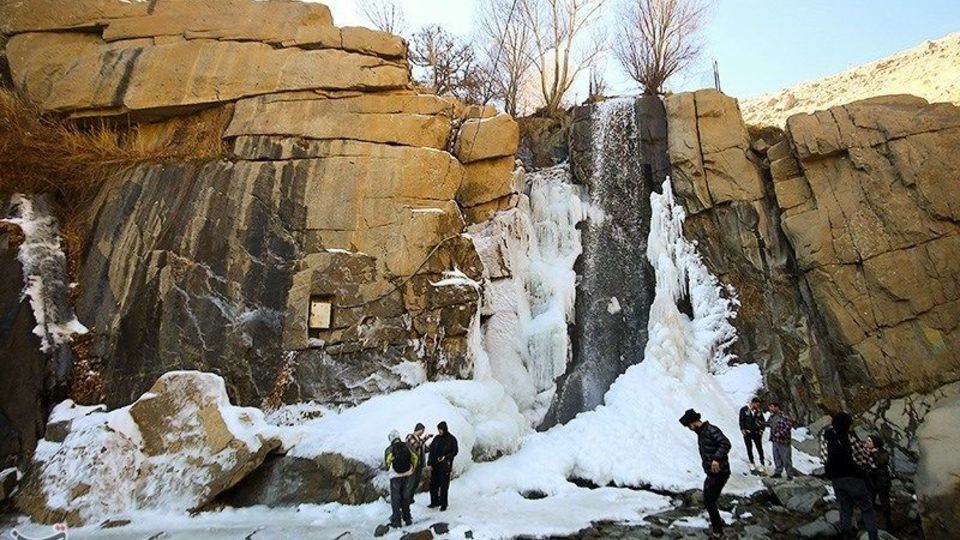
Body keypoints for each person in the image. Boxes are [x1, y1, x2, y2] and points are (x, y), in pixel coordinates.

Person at [821, 412, 879, 540]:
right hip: (853, 478)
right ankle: (872, 535)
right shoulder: (850, 437)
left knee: (845, 508)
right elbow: (863, 456)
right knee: (867, 508)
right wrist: (870, 467)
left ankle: (846, 535)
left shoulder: (826, 437)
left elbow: (824, 457)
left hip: (836, 479)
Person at [679, 408, 731, 540]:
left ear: (693, 422)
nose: (690, 429)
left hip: (720, 472)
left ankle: (718, 533)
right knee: (709, 500)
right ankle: (717, 531)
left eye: (689, 426)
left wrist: (716, 459)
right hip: (713, 473)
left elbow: (725, 443)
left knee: (709, 501)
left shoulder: (710, 430)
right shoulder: (702, 432)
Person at [384, 430, 418, 527]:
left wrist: (390, 469)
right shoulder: (407, 445)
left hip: (395, 477)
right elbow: (415, 457)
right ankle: (407, 519)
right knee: (405, 497)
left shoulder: (389, 449)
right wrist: (412, 468)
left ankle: (397, 522)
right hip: (407, 474)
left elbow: (387, 462)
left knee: (396, 499)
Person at [427, 421, 458, 511]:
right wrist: (430, 463)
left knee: (444, 486)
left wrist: (445, 457)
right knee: (433, 485)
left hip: (445, 466)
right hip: (435, 465)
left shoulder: (452, 439)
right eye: (439, 429)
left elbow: (455, 451)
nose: (440, 431)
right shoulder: (437, 438)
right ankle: (434, 501)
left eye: (441, 429)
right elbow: (432, 451)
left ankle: (444, 504)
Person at [865, 435, 892, 530]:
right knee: (870, 502)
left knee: (885, 502)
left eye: (869, 441)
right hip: (871, 481)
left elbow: (881, 462)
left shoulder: (883, 452)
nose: (867, 443)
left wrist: (874, 454)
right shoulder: (865, 452)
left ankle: (888, 523)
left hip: (882, 481)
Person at [404, 423, 433, 504]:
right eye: (422, 430)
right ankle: (406, 499)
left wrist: (432, 445)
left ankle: (411, 497)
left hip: (419, 465)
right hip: (412, 465)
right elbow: (416, 445)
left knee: (416, 482)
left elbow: (425, 449)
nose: (423, 432)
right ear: (419, 429)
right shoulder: (410, 436)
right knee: (411, 482)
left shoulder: (420, 439)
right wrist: (425, 439)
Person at [767, 401, 795, 479]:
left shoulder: (784, 416)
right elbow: (769, 423)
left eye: (772, 407)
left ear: (777, 407)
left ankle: (789, 474)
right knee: (776, 457)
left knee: (786, 458)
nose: (770, 409)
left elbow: (788, 426)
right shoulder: (772, 416)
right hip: (775, 440)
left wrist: (780, 433)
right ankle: (778, 472)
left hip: (783, 441)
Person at [739, 397, 767, 474]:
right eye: (757, 404)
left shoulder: (759, 411)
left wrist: (761, 430)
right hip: (747, 432)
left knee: (759, 448)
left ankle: (762, 463)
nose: (757, 406)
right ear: (753, 403)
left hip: (757, 433)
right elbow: (741, 420)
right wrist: (742, 429)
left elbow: (763, 421)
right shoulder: (744, 410)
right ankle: (752, 462)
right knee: (749, 447)